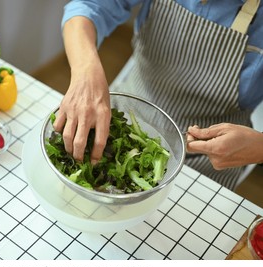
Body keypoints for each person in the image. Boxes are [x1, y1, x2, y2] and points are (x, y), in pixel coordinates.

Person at [54, 0, 263, 190]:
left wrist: (259, 148)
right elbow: (88, 6)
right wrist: (85, 71)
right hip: (117, 119)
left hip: (207, 160)